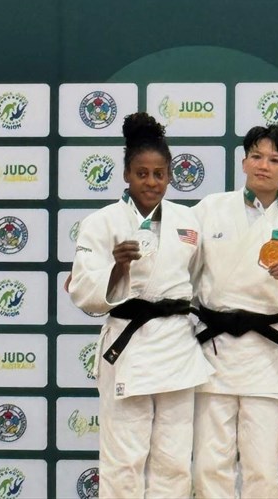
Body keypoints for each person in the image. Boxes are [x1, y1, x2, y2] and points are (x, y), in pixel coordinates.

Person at [68, 112, 212, 499]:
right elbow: (82, 290)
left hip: (177, 346)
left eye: (159, 174)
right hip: (129, 347)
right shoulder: (102, 223)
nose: (151, 182)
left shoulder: (188, 221)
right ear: (127, 175)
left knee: (174, 458)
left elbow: (198, 281)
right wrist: (118, 267)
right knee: (124, 459)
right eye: (142, 174)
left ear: (169, 176)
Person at [191, 125, 278, 499]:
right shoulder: (209, 209)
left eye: (275, 159)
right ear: (243, 161)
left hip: (263, 354)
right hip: (214, 350)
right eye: (256, 156)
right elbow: (179, 266)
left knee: (262, 468)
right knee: (209, 463)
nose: (263, 165)